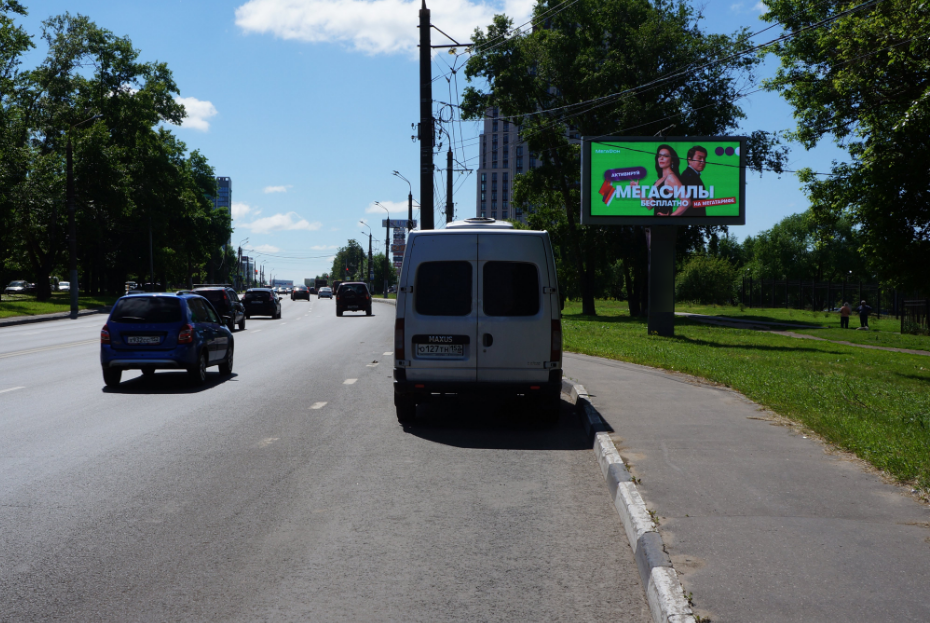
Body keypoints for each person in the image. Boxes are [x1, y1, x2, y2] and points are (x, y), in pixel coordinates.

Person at [671, 145, 708, 216]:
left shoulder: (693, 175)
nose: (703, 162)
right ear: (689, 160)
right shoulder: (688, 176)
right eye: (699, 158)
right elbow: (687, 203)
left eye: (704, 158)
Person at [651, 144, 682, 216]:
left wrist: (671, 216)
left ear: (672, 160)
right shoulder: (659, 180)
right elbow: (650, 205)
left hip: (666, 224)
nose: (661, 158)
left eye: (665, 156)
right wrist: (637, 190)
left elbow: (687, 201)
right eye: (659, 156)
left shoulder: (671, 178)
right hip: (655, 222)